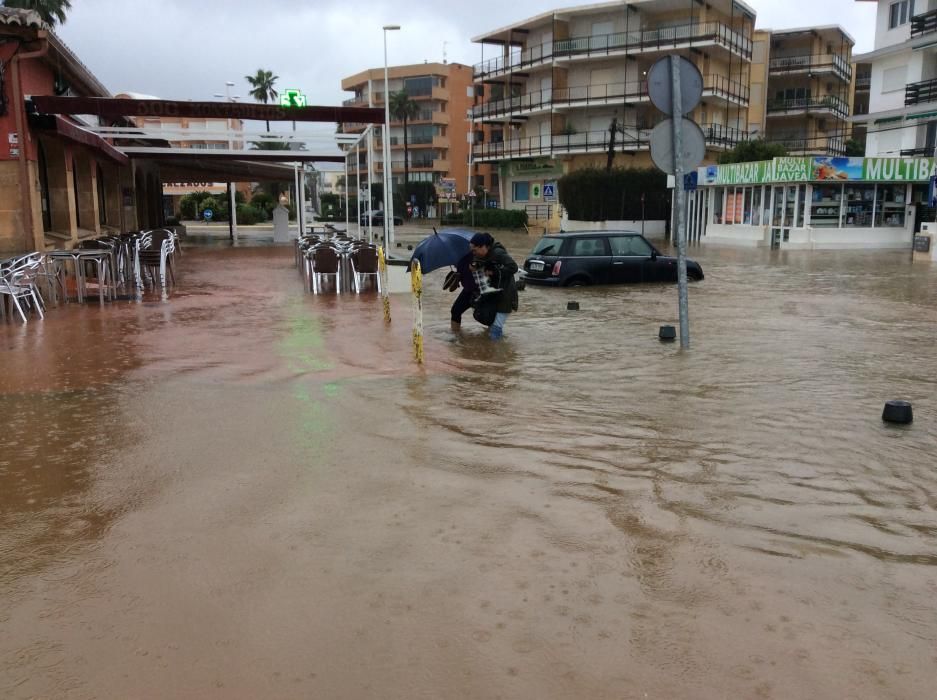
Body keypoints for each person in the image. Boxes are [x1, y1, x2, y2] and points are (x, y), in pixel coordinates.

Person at [468, 232, 518, 340]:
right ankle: (495, 351)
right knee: (490, 324)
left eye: (474, 250)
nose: (473, 253)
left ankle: (495, 355)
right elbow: (483, 264)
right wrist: (475, 266)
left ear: (483, 247)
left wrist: (494, 272)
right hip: (493, 294)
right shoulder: (483, 255)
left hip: (506, 295)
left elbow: (514, 267)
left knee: (495, 329)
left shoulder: (498, 253)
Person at [449, 251, 477, 332]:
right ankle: (455, 335)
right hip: (468, 290)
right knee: (455, 311)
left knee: (485, 315)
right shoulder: (459, 259)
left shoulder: (475, 255)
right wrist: (456, 278)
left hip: (481, 290)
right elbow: (458, 279)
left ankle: (491, 340)